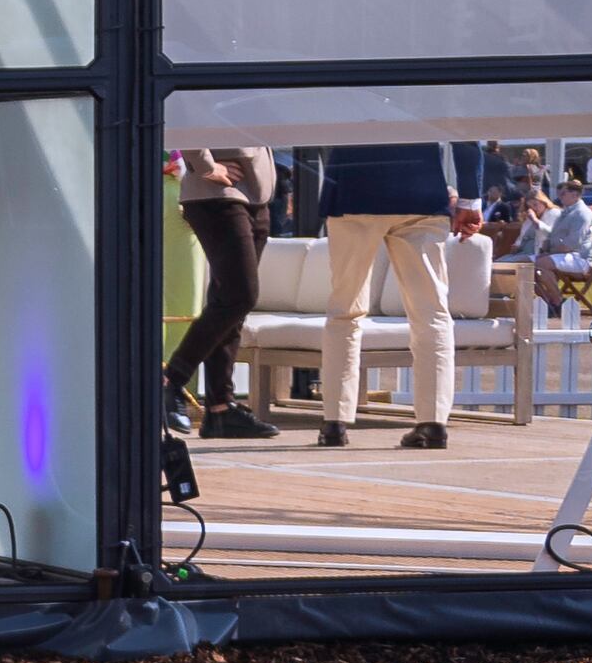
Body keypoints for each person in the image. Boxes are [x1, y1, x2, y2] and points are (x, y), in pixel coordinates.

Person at [309, 135, 482, 452]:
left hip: (352, 185)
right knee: (431, 314)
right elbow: (463, 126)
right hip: (420, 190)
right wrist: (470, 197)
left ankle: (334, 421)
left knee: (345, 312)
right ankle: (432, 423)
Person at [165, 146, 279, 441]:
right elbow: (186, 116)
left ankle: (220, 409)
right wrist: (205, 166)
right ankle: (171, 379)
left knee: (230, 303)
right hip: (217, 194)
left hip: (255, 197)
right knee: (239, 296)